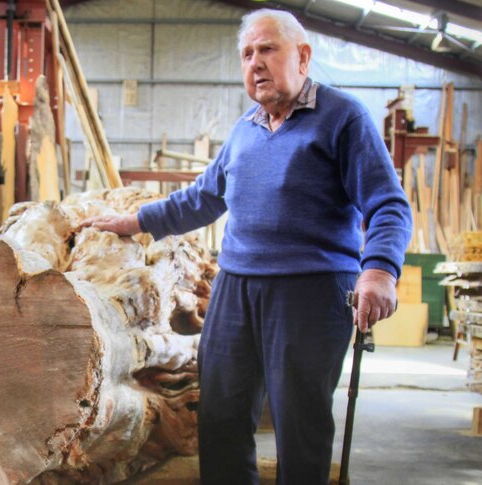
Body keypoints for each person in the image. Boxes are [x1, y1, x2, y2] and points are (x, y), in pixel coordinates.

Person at [82, 8, 413, 485]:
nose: (255, 62)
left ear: (303, 57)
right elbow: (202, 198)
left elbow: (388, 204)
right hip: (236, 288)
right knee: (221, 414)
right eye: (247, 54)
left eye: (267, 50)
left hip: (312, 291)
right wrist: (135, 220)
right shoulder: (246, 128)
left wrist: (379, 270)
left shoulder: (343, 119)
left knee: (299, 422)